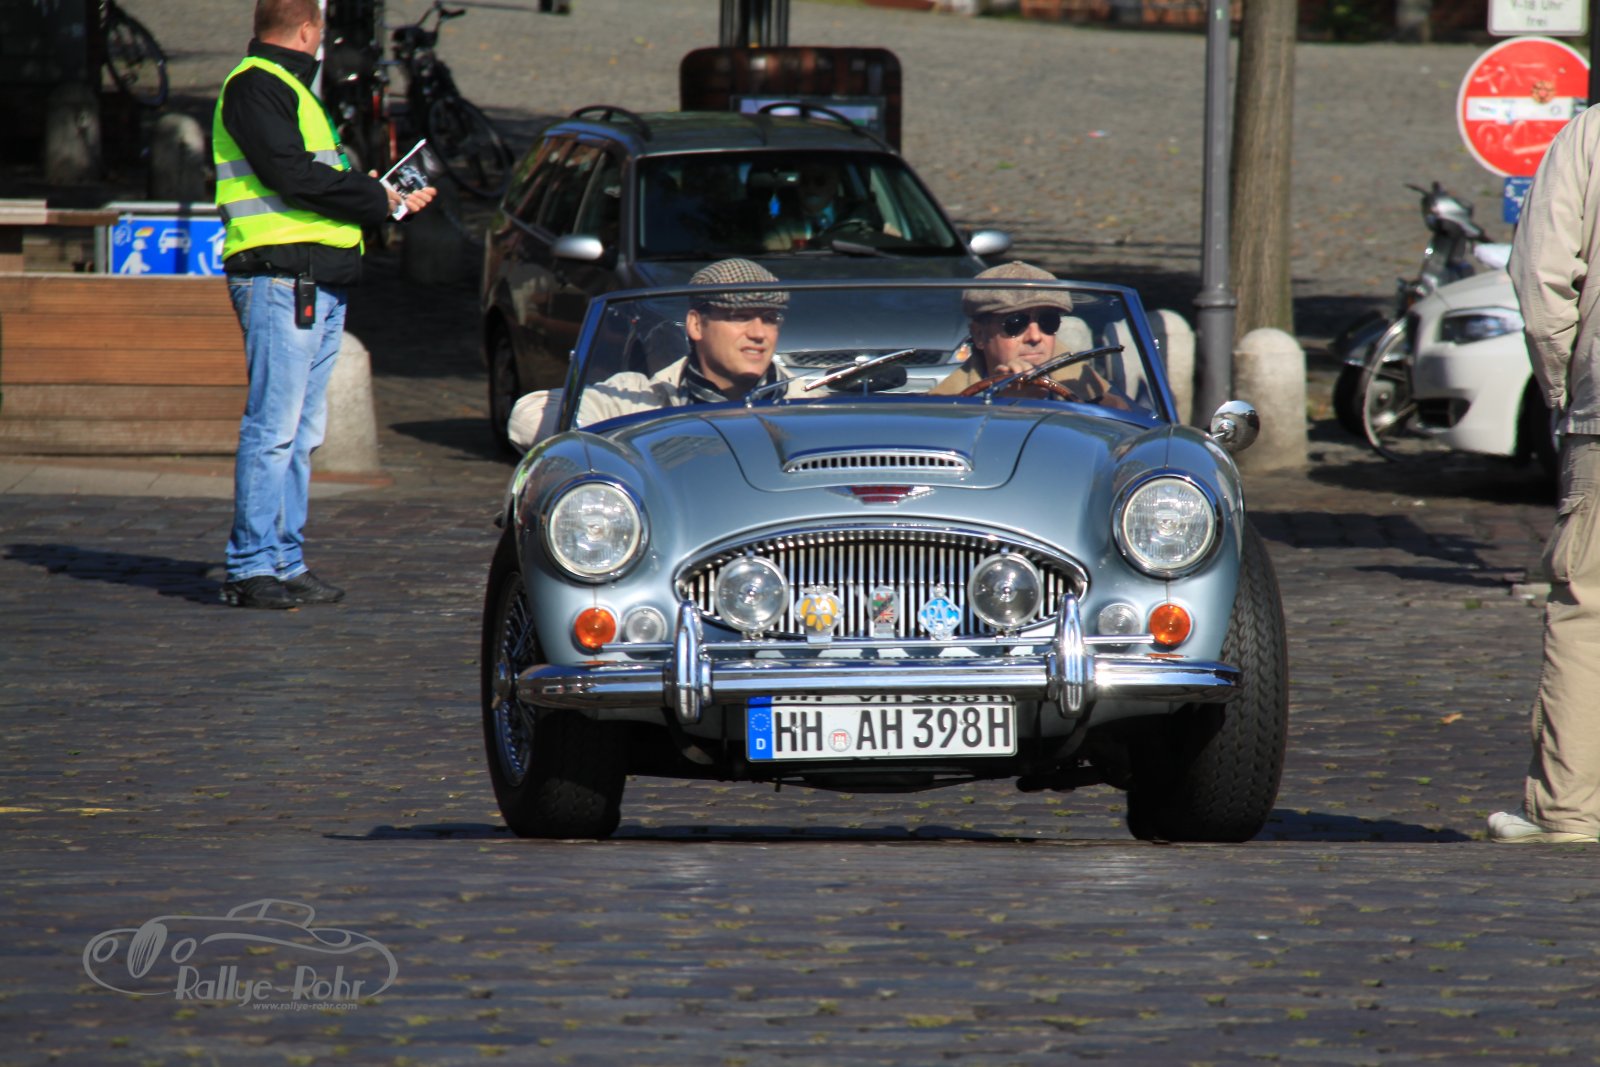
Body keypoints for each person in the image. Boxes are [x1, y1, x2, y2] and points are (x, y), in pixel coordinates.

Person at [213, 0, 435, 609]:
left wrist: (383, 197)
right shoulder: (258, 84)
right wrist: (377, 197)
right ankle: (251, 566)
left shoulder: (287, 87)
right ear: (309, 29)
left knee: (301, 432)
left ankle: (284, 559)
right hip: (282, 277)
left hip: (314, 278)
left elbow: (310, 176)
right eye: (322, 30)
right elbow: (292, 176)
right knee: (274, 429)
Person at [1490, 103, 1600, 843]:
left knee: (1590, 610)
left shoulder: (1590, 135)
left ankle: (1569, 809)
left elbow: (1539, 275)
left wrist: (1567, 386)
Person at [571, 258, 802, 427]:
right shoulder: (638, 399)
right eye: (740, 317)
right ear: (696, 324)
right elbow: (556, 415)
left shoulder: (808, 403)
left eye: (770, 319)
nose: (759, 333)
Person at [930, 261, 1126, 407]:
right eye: (1015, 323)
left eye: (1048, 322)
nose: (1035, 336)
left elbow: (1129, 429)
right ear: (979, 335)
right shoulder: (945, 405)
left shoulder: (1094, 392)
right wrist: (1005, 405)